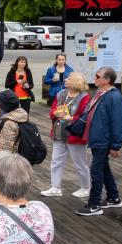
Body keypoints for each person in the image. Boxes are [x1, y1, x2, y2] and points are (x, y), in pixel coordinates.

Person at [76, 66, 122, 218]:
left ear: (107, 80)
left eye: (98, 76)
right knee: (103, 168)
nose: (95, 79)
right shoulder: (99, 93)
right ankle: (113, 197)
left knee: (96, 170)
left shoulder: (115, 97)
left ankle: (94, 204)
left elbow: (118, 123)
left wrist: (116, 146)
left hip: (103, 140)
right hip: (97, 138)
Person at [43, 71, 92, 199]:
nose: (65, 80)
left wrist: (71, 118)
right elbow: (52, 109)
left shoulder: (84, 97)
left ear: (76, 82)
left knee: (80, 162)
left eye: (68, 79)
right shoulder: (61, 94)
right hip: (59, 132)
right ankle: (55, 187)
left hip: (74, 134)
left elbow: (85, 116)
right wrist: (55, 114)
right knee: (56, 161)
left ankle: (86, 187)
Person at [0, 89, 28, 156]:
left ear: (2, 106)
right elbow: (12, 139)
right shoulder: (19, 116)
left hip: (8, 163)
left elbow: (4, 153)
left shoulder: (8, 123)